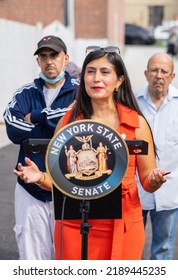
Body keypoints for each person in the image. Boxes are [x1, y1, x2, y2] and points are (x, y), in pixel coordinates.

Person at [13, 46, 168, 260]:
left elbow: (147, 181)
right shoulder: (68, 122)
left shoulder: (136, 123)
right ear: (83, 77)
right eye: (90, 71)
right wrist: (39, 178)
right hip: (74, 223)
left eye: (105, 72)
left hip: (123, 222)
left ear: (119, 80)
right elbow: (59, 182)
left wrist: (155, 180)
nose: (97, 78)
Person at [3, 35, 79, 260]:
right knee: (32, 257)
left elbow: (78, 123)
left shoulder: (80, 92)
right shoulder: (24, 93)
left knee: (69, 256)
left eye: (54, 55)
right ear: (38, 62)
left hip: (70, 185)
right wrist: (58, 126)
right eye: (43, 56)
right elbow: (13, 130)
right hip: (30, 186)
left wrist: (35, 117)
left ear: (66, 59)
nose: (49, 61)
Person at [135, 53, 178, 260]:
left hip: (170, 191)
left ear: (172, 76)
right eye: (154, 70)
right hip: (136, 192)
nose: (158, 75)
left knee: (163, 250)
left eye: (164, 71)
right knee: (132, 248)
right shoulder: (132, 103)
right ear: (146, 73)